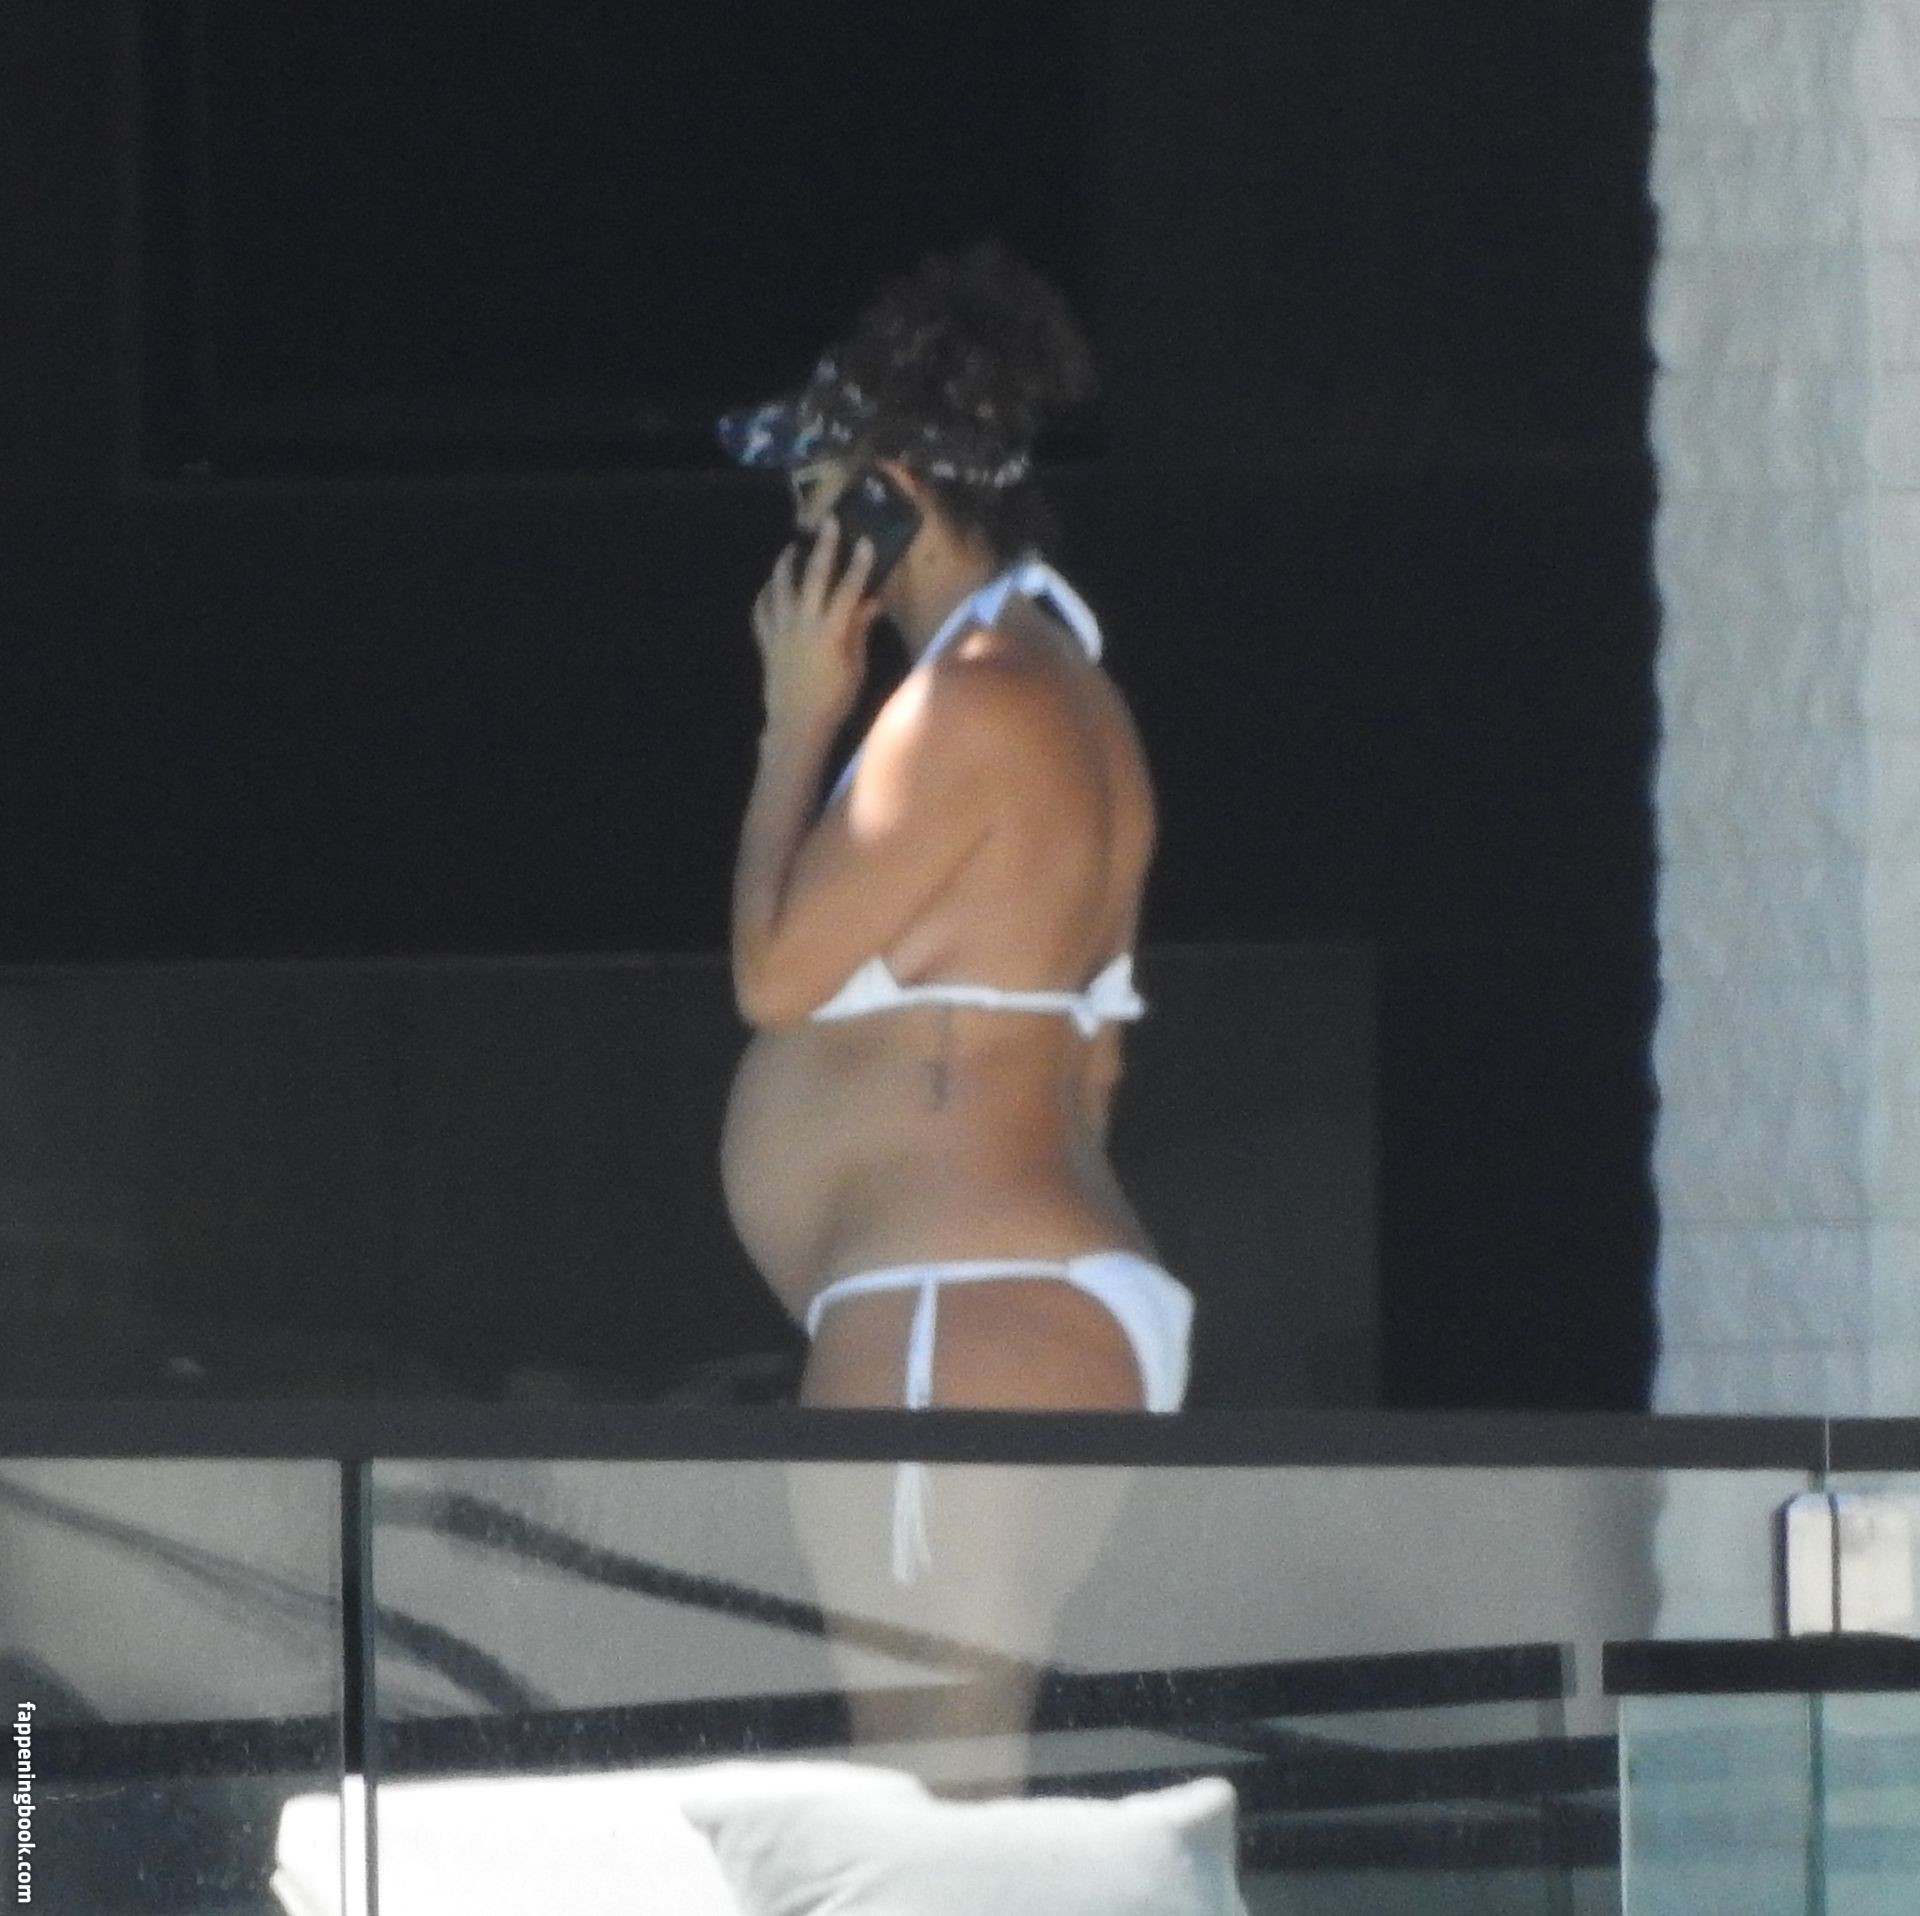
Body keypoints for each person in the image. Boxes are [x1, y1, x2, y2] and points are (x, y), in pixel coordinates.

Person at [716, 244, 1192, 1783]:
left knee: (931, 1801)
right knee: (959, 1789)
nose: (800, 542)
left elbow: (774, 973)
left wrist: (798, 721)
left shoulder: (975, 698)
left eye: (817, 500)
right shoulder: (1069, 692)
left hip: (959, 1310)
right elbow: (1094, 1063)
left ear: (892, 497)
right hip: (1014, 1295)